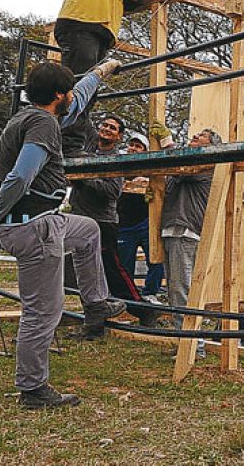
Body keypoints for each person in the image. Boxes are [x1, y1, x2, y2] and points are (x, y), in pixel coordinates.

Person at [0, 60, 126, 409]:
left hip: (44, 221)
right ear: (58, 95)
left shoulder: (34, 115)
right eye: (69, 93)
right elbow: (20, 176)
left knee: (88, 229)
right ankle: (33, 389)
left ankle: (96, 302)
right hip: (33, 228)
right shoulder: (43, 124)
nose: (74, 99)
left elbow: (80, 98)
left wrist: (103, 70)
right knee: (43, 312)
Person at [55, 0, 154, 158]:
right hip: (80, 25)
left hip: (98, 34)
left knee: (88, 91)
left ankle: (73, 143)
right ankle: (68, 145)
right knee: (78, 86)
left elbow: (127, 4)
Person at [68, 115, 158, 328]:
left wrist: (84, 179)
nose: (107, 129)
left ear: (118, 136)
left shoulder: (116, 159)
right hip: (79, 217)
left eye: (113, 128)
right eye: (105, 125)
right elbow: (82, 119)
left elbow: (112, 192)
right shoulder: (90, 145)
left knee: (113, 272)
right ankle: (94, 319)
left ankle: (143, 310)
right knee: (85, 272)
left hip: (102, 223)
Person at [160, 129, 221, 329]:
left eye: (202, 135)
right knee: (174, 290)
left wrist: (168, 143)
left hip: (185, 233)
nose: (195, 136)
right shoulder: (185, 170)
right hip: (173, 231)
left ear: (211, 145)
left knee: (182, 290)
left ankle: (195, 345)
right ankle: (184, 340)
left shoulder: (205, 165)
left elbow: (179, 167)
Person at [117, 133, 165, 297]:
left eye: (138, 146)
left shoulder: (149, 170)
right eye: (131, 145)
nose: (133, 148)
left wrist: (150, 189)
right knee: (124, 265)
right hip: (124, 225)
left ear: (144, 151)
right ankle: (129, 297)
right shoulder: (118, 169)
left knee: (155, 259)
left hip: (146, 223)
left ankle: (150, 293)